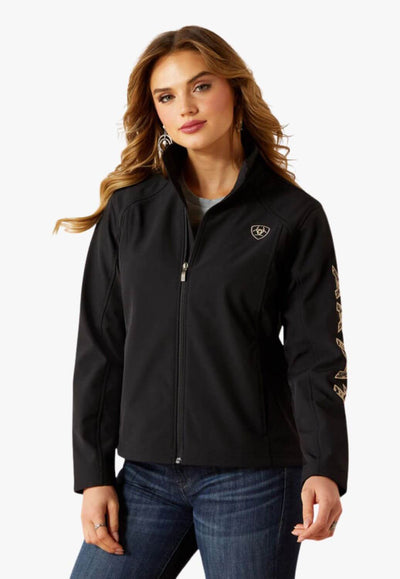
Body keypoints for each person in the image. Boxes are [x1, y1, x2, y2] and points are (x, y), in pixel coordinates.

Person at [55, 24, 349, 579]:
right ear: (156, 113)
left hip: (254, 478)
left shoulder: (293, 216)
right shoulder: (129, 213)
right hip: (145, 476)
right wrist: (93, 474)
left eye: (201, 86)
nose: (185, 107)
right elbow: (100, 348)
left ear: (234, 89)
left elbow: (316, 354)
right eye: (166, 97)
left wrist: (325, 466)